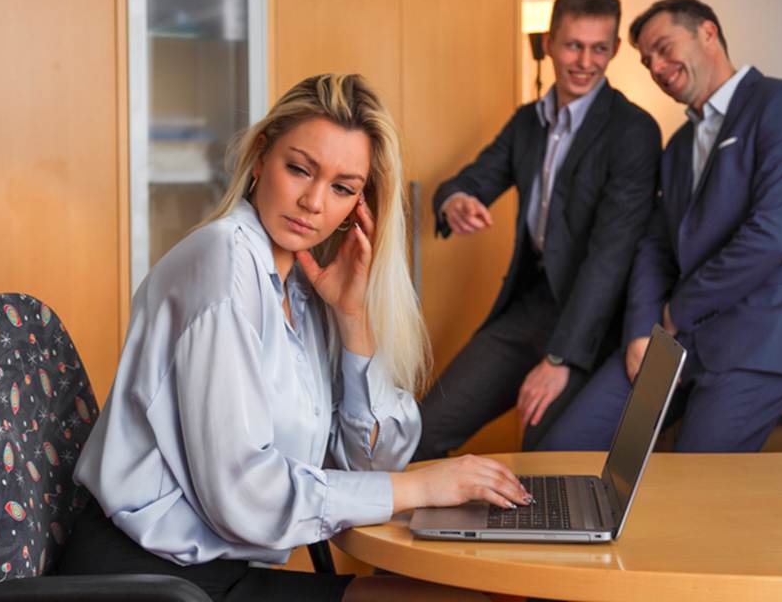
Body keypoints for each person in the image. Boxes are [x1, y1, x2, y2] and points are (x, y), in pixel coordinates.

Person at [56, 73, 531, 601]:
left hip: (217, 571)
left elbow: (373, 463)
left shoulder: (300, 291)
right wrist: (420, 487)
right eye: (300, 169)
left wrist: (354, 318)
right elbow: (243, 494)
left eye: (342, 188)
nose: (313, 202)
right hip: (146, 581)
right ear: (261, 157)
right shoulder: (221, 262)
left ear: (360, 209)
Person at [540, 0, 782, 452]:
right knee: (561, 447)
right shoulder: (678, 144)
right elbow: (654, 246)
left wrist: (675, 312)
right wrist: (643, 328)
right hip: (672, 341)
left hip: (755, 343)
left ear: (708, 33)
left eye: (663, 48)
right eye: (646, 61)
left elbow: (772, 237)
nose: (657, 68)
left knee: (691, 482)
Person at [415, 0, 661, 459]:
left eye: (599, 49)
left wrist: (561, 358)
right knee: (423, 432)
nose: (585, 62)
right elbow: (469, 179)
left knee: (542, 459)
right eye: (573, 45)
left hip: (590, 323)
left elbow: (609, 257)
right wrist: (457, 201)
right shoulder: (527, 122)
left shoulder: (634, 131)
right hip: (526, 310)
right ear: (548, 43)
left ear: (612, 51)